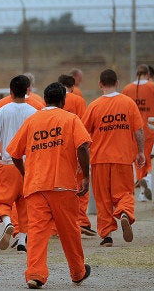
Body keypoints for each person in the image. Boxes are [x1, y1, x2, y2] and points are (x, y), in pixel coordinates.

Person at [7, 82, 92, 289]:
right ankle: (78, 272)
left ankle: (35, 274)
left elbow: (14, 153)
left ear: (45, 99)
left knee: (36, 233)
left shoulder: (32, 120)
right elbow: (82, 146)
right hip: (63, 186)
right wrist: (86, 176)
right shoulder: (71, 119)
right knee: (70, 232)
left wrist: (27, 173)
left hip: (36, 187)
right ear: (63, 100)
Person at [82, 69, 145, 247]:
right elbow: (139, 130)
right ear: (117, 83)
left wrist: (81, 160)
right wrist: (140, 151)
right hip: (123, 158)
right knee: (124, 193)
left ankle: (107, 236)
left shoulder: (94, 105)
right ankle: (124, 213)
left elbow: (83, 135)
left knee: (103, 200)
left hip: (100, 159)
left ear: (100, 84)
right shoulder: (128, 103)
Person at [0, 75, 37, 252]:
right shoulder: (33, 112)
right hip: (27, 165)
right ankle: (23, 240)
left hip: (8, 163)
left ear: (10, 91)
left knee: (0, 199)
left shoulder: (3, 110)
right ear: (27, 91)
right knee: (24, 204)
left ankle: (8, 223)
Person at [121, 64, 154, 201]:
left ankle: (144, 191)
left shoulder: (127, 89)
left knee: (139, 161)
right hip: (152, 131)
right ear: (148, 74)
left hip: (133, 132)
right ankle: (150, 179)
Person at [58, 74, 95, 237]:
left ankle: (57, 225)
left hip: (57, 150)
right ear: (72, 87)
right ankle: (81, 221)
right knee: (81, 187)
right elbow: (84, 127)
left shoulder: (52, 100)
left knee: (60, 187)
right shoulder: (78, 100)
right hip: (76, 148)